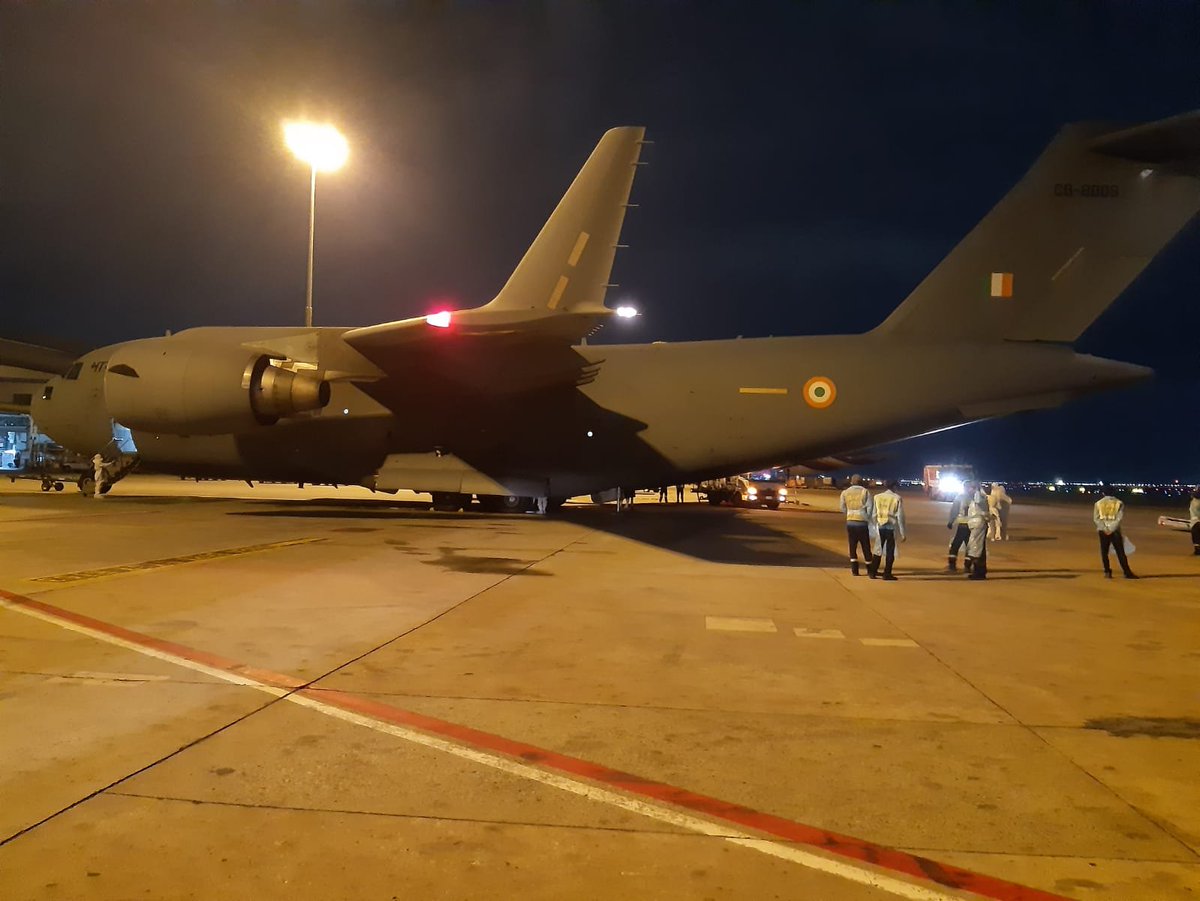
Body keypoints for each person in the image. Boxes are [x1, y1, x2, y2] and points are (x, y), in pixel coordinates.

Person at [1094, 488, 1137, 579]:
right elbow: (1119, 518)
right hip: (1115, 531)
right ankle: (1127, 572)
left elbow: (1096, 519)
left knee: (1104, 552)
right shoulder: (1119, 503)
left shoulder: (1098, 503)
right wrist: (1111, 529)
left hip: (1102, 531)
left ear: (1103, 493)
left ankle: (1107, 572)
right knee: (1120, 552)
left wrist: (1105, 528)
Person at [868, 480, 905, 580]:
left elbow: (874, 514)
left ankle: (873, 572)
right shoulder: (897, 498)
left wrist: (875, 525)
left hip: (880, 526)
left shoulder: (877, 497)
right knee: (890, 551)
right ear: (894, 487)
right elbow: (900, 517)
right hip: (890, 527)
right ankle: (887, 573)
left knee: (877, 550)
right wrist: (902, 533)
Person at [839, 474, 874, 576]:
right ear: (861, 482)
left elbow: (842, 508)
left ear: (851, 482)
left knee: (852, 547)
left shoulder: (845, 492)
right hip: (862, 523)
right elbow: (870, 507)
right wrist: (867, 517)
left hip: (850, 523)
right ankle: (870, 571)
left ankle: (855, 570)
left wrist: (849, 514)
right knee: (866, 547)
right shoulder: (865, 492)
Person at [945, 480, 976, 572]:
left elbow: (954, 510)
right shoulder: (974, 497)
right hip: (972, 524)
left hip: (962, 524)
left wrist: (950, 522)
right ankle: (967, 566)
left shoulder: (959, 497)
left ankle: (952, 564)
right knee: (969, 545)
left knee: (956, 544)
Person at [965, 483, 992, 580]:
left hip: (978, 524)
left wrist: (977, 490)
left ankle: (978, 572)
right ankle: (980, 571)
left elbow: (980, 505)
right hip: (977, 524)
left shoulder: (978, 496)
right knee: (978, 548)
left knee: (976, 548)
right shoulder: (977, 497)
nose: (967, 491)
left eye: (968, 488)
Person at [1189, 488, 1200, 556]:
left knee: (1196, 537)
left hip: (1195, 522)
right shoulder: (1196, 502)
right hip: (1196, 522)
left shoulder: (1193, 502)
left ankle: (1197, 550)